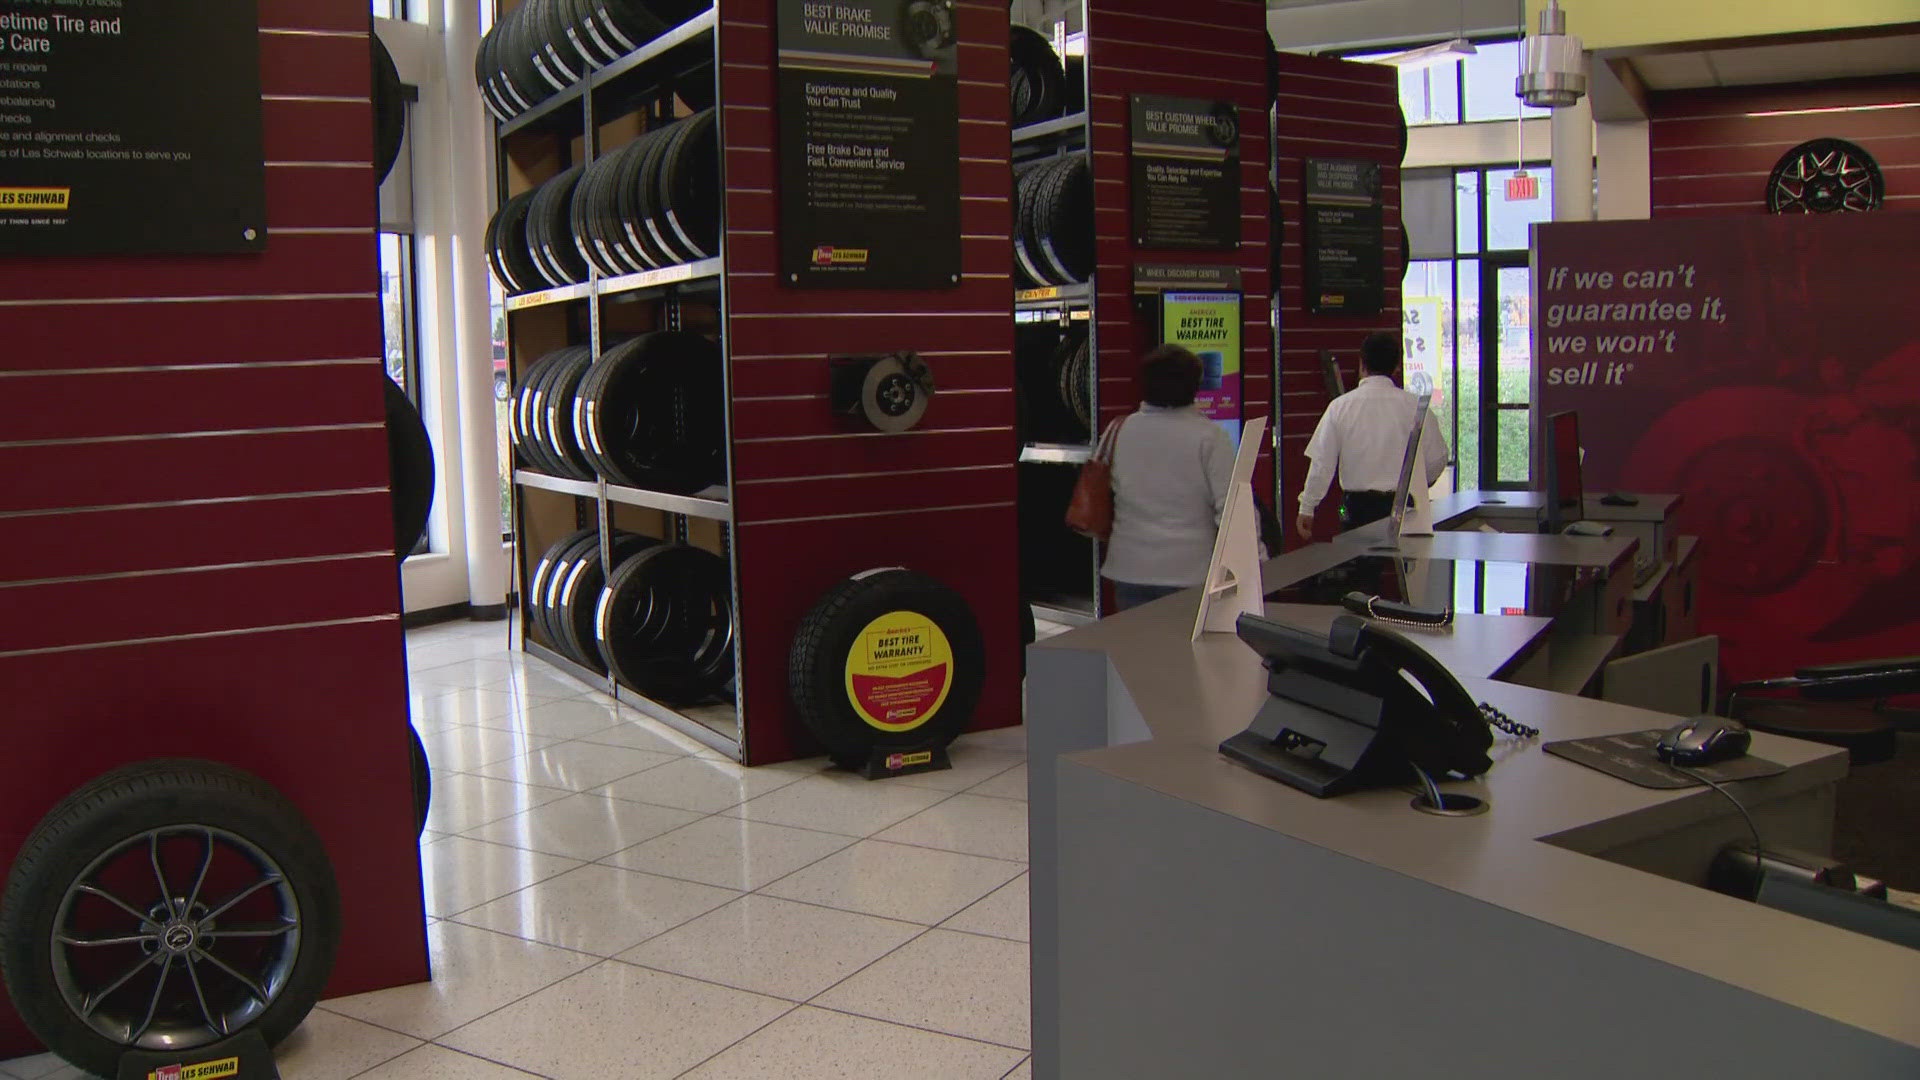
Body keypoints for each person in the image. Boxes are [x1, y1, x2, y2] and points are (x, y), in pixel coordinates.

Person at [1100, 345, 1237, 612]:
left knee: (1137, 650)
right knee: (1183, 652)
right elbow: (1230, 508)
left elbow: (1108, 491)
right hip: (1190, 572)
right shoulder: (1210, 437)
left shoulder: (1119, 430)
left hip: (1130, 569)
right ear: (1195, 386)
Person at [1296, 330, 1449, 540]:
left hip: (1356, 510)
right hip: (1405, 508)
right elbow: (1437, 459)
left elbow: (1322, 464)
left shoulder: (1339, 408)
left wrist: (1307, 507)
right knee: (1404, 571)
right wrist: (1419, 483)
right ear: (1396, 367)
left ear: (1361, 365)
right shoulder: (1417, 408)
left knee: (1359, 571)